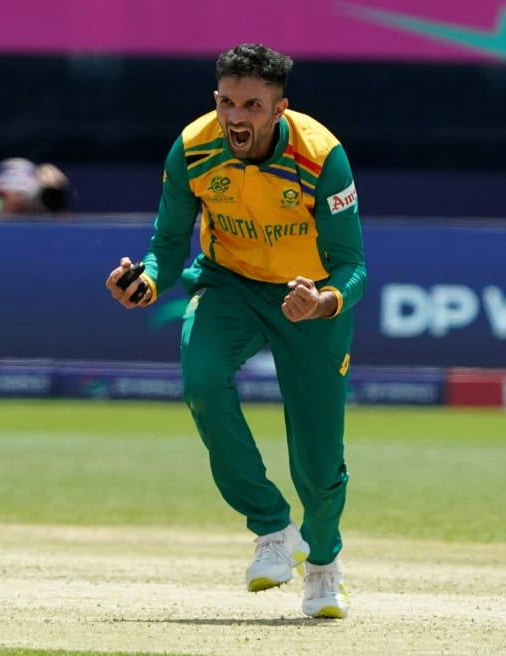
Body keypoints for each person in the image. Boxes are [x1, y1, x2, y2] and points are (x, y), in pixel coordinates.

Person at [105, 43, 366, 619]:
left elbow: (353, 266)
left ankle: (324, 568)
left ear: (279, 109)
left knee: (319, 462)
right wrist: (146, 282)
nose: (235, 117)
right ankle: (273, 529)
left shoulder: (322, 155)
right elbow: (167, 244)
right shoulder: (193, 147)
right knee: (201, 380)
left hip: (307, 298)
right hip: (230, 284)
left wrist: (323, 302)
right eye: (226, 102)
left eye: (251, 105)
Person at [0, 157, 74, 223]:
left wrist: (55, 201)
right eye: (9, 189)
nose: (17, 196)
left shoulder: (42, 206)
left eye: (21, 191)